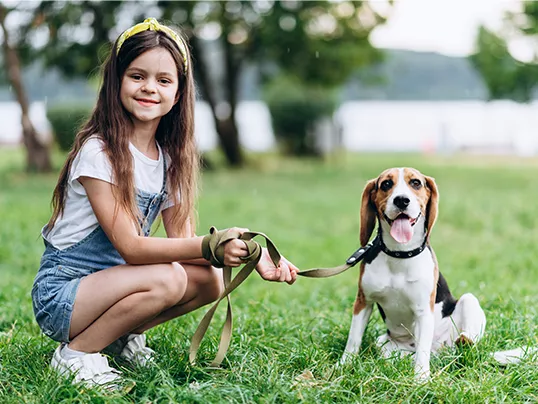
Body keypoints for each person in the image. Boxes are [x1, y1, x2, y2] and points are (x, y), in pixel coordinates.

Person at [31, 18, 299, 388]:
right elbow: (132, 247)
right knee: (169, 276)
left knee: (209, 280)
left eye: (163, 80)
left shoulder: (169, 158)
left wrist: (252, 256)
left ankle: (119, 338)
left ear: (178, 93)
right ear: (116, 82)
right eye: (137, 76)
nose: (149, 89)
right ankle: (77, 354)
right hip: (64, 294)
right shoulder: (100, 152)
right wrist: (214, 244)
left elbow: (183, 243)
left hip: (113, 287)